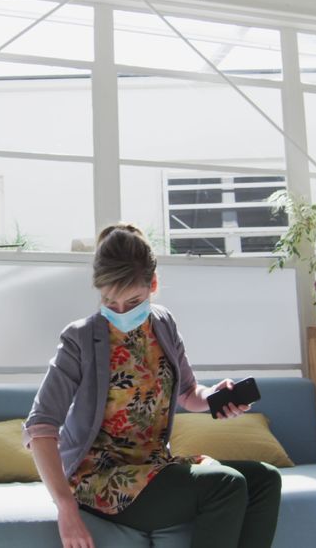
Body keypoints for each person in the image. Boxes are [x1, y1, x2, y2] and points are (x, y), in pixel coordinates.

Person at [23, 223, 282, 548]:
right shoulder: (79, 339)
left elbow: (189, 394)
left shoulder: (164, 324)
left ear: (153, 285)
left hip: (154, 467)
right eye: (109, 301)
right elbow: (41, 426)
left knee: (266, 479)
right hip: (101, 477)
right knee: (225, 485)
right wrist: (65, 506)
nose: (119, 311)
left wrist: (215, 396)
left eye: (132, 302)